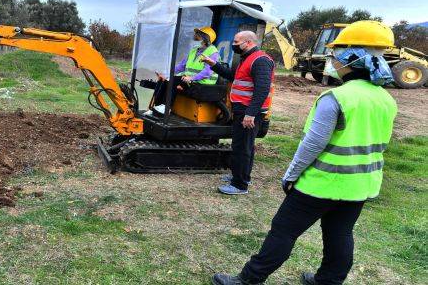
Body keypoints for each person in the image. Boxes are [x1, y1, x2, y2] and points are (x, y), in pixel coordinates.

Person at [210, 21, 398, 285]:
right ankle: (328, 281)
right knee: (340, 234)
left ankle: (248, 279)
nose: (333, 60)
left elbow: (313, 144)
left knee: (283, 231)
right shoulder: (385, 99)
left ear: (349, 58)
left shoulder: (336, 98)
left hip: (322, 183)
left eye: (335, 55)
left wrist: (291, 175)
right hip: (361, 184)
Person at [201, 30, 274, 195]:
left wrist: (251, 114)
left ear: (248, 42)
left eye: (236, 42)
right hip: (243, 110)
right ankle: (241, 176)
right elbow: (233, 76)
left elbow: (262, 90)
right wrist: (213, 64)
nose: (233, 45)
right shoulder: (247, 59)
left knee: (243, 147)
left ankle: (240, 185)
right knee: (242, 145)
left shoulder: (260, 60)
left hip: (250, 113)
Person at [150, 27, 220, 112]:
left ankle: (166, 107)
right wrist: (166, 74)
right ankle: (155, 107)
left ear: (206, 38)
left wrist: (191, 78)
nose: (196, 36)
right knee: (163, 80)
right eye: (197, 33)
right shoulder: (195, 50)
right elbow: (182, 66)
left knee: (172, 81)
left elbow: (207, 72)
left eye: (199, 34)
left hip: (203, 82)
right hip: (190, 79)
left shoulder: (213, 52)